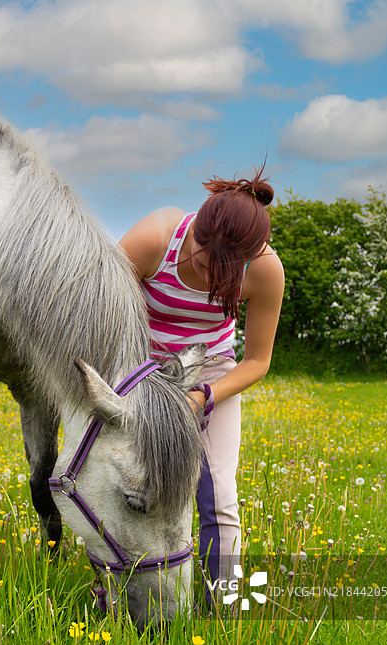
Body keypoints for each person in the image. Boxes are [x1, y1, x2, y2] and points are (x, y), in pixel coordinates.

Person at [119, 169, 284, 589]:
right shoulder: (154, 239)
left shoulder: (265, 271)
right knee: (126, 482)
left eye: (223, 274)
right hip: (139, 364)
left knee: (219, 496)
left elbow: (256, 362)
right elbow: (101, 312)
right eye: (204, 261)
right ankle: (120, 582)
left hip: (211, 371)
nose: (209, 277)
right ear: (194, 229)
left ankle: (221, 606)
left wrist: (203, 396)